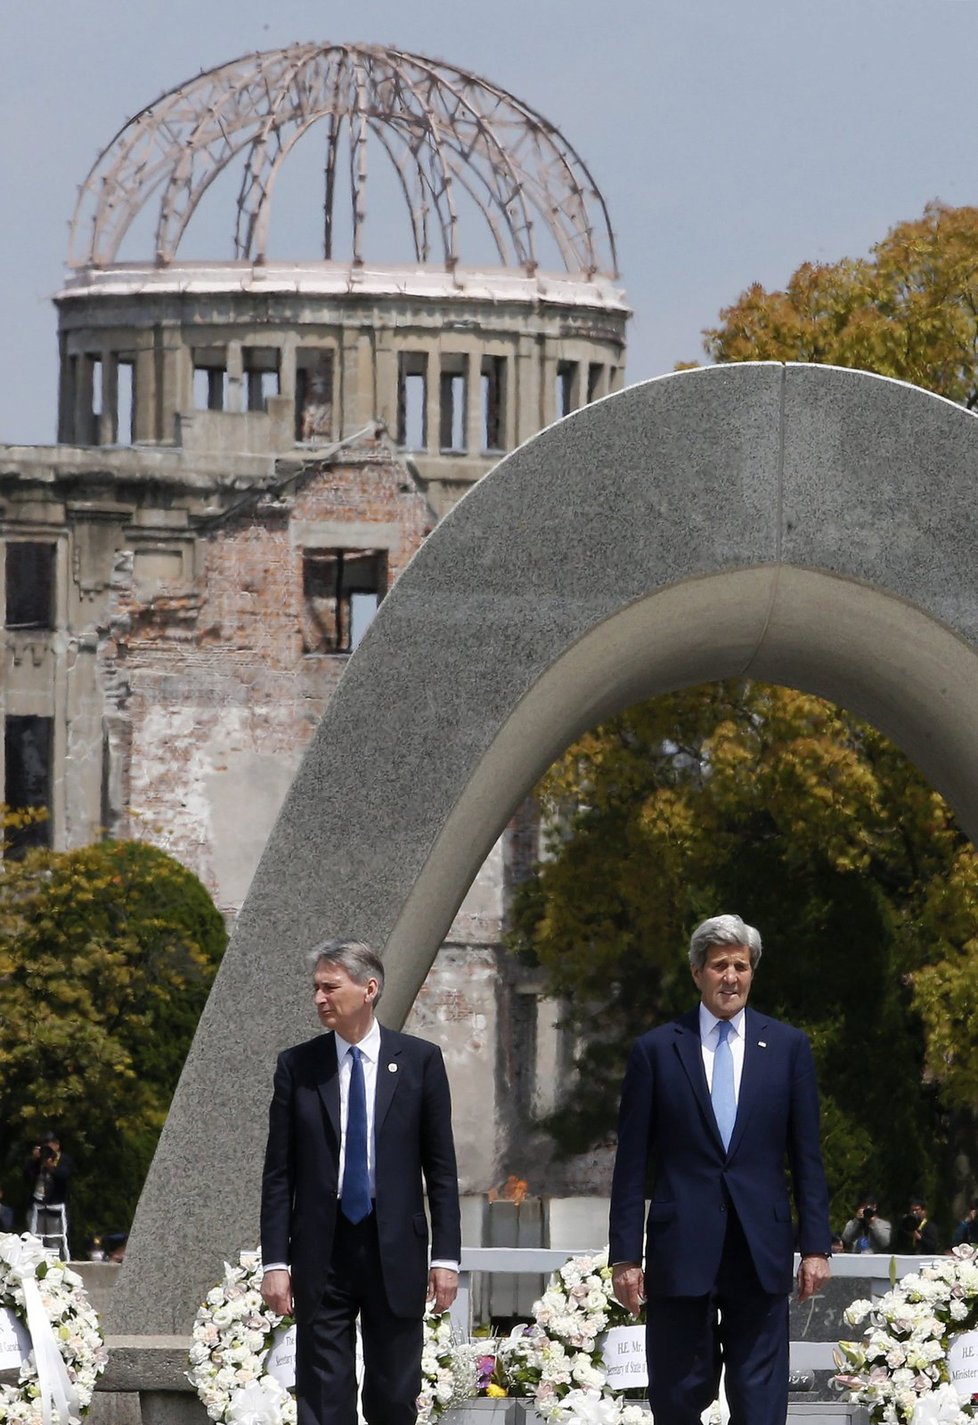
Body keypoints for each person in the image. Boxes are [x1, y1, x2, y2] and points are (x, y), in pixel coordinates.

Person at [608, 913, 832, 1425]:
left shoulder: (788, 1048)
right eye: (718, 966)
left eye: (741, 965)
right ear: (696, 973)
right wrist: (625, 1255)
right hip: (681, 1246)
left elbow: (807, 1155)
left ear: (752, 972)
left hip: (760, 1247)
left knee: (761, 1401)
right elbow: (632, 1163)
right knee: (678, 1394)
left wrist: (816, 1244)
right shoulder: (657, 1050)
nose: (730, 977)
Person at [260, 937, 461, 1425]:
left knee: (394, 1394)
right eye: (316, 988)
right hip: (321, 1250)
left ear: (369, 988)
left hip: (394, 1247)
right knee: (324, 1397)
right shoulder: (298, 1066)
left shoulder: (419, 1061)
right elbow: (279, 1174)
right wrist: (276, 1262)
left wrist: (447, 1258)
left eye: (330, 987)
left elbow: (441, 1170)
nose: (318, 999)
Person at [25, 1130, 72, 1258]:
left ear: (57, 1145)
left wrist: (51, 1166)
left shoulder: (64, 1159)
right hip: (37, 1203)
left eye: (49, 1144)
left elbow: (64, 1176)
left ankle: (54, 1266)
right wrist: (34, 1160)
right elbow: (27, 1176)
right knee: (34, 1239)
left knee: (54, 1241)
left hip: (55, 1205)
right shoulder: (38, 1160)